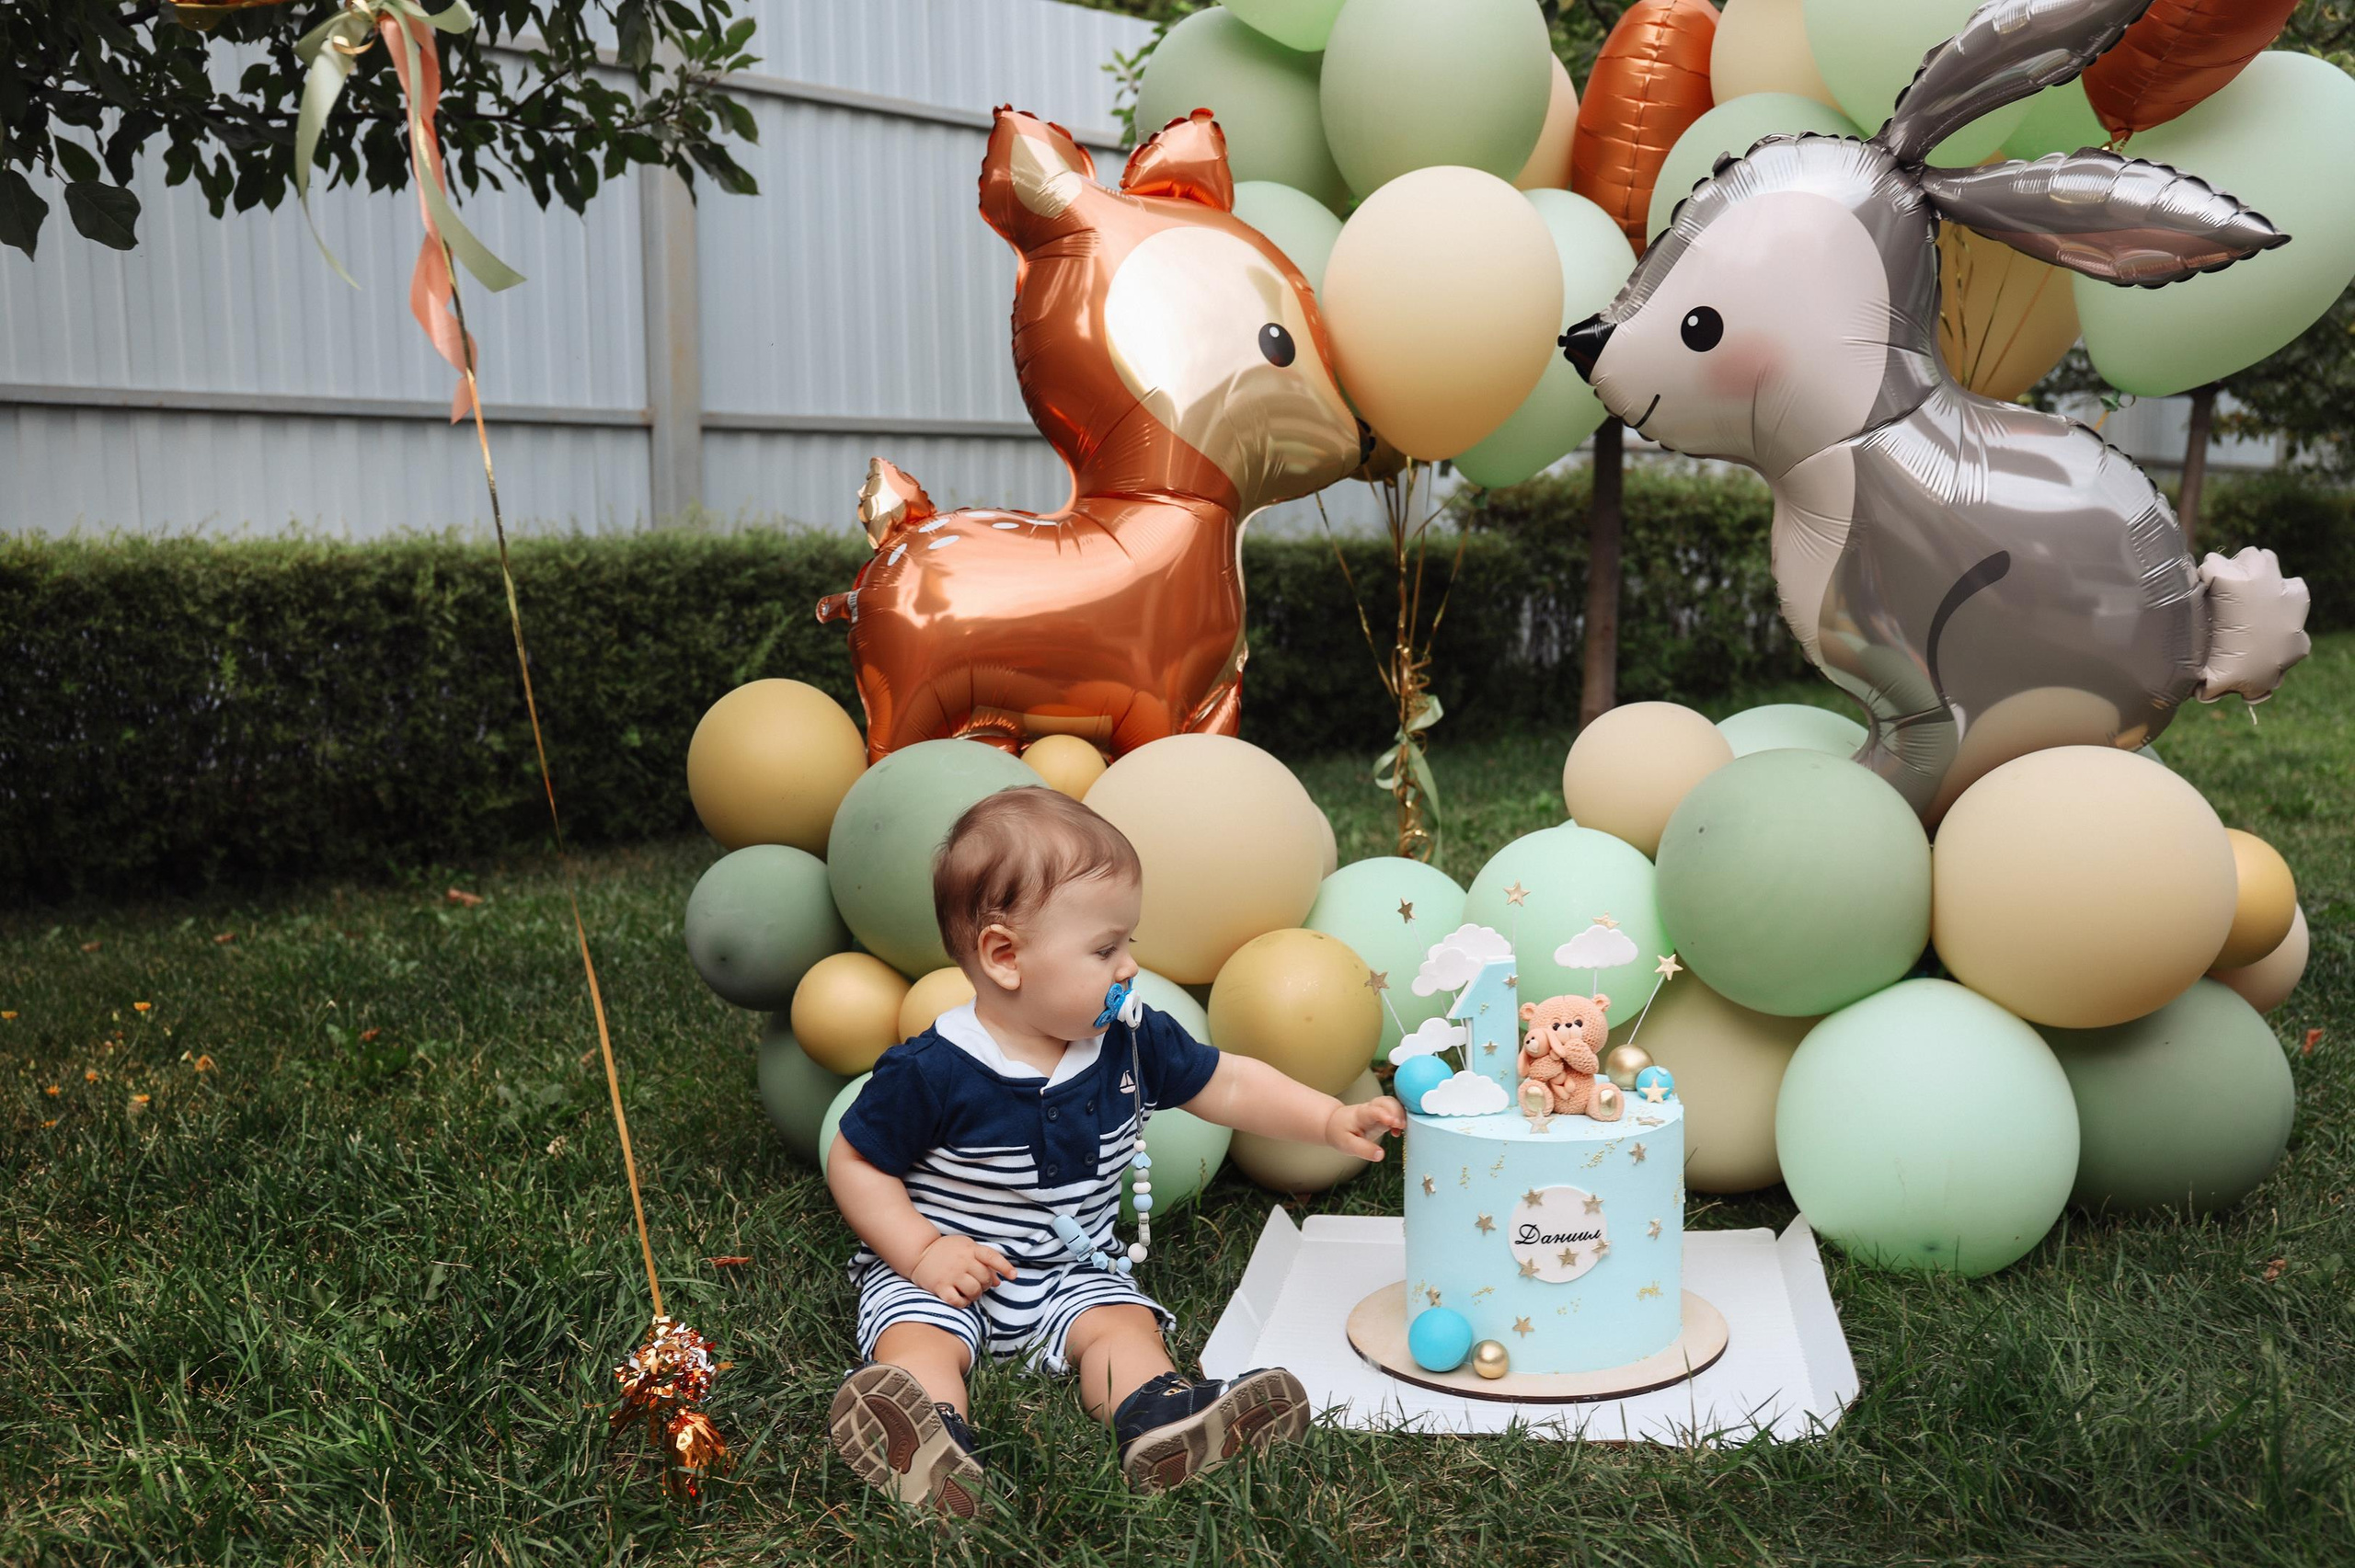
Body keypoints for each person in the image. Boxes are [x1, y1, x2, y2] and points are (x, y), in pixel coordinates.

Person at [824, 786, 1405, 1516]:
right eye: (1106, 948)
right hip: (948, 1271)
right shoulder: (932, 1069)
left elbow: (1225, 1083)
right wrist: (920, 1252)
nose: (1130, 965)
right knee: (920, 1337)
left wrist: (1326, 1118)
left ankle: (1159, 1418)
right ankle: (932, 1440)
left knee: (1119, 1325)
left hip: (1073, 1273)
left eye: (1127, 941)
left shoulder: (1128, 1037)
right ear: (1005, 956)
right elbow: (856, 1161)